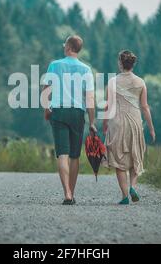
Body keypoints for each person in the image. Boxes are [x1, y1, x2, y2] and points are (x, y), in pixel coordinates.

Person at [42, 36, 97, 205]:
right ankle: (71, 193)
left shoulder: (54, 65)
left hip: (58, 112)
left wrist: (46, 108)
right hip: (77, 114)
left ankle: (66, 192)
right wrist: (92, 122)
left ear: (68, 47)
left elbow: (46, 89)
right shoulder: (86, 70)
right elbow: (90, 98)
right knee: (74, 156)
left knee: (62, 154)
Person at [102, 50, 156, 205]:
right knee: (135, 156)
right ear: (133, 64)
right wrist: (151, 128)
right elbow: (145, 107)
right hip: (134, 122)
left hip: (117, 122)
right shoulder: (140, 82)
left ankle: (125, 196)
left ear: (120, 63)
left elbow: (109, 105)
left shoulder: (112, 82)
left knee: (119, 160)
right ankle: (133, 186)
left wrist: (105, 123)